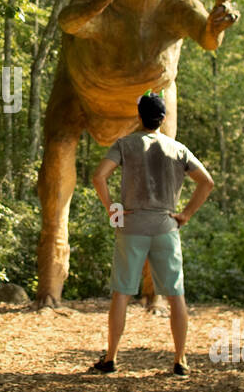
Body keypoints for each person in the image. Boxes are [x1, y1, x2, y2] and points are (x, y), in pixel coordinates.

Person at [88, 90, 213, 376]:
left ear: (139, 116)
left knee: (122, 293)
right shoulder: (178, 149)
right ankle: (180, 360)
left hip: (131, 227)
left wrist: (113, 209)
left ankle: (111, 358)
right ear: (163, 118)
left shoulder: (124, 145)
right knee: (175, 294)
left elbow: (98, 176)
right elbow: (206, 182)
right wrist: (185, 215)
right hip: (166, 227)